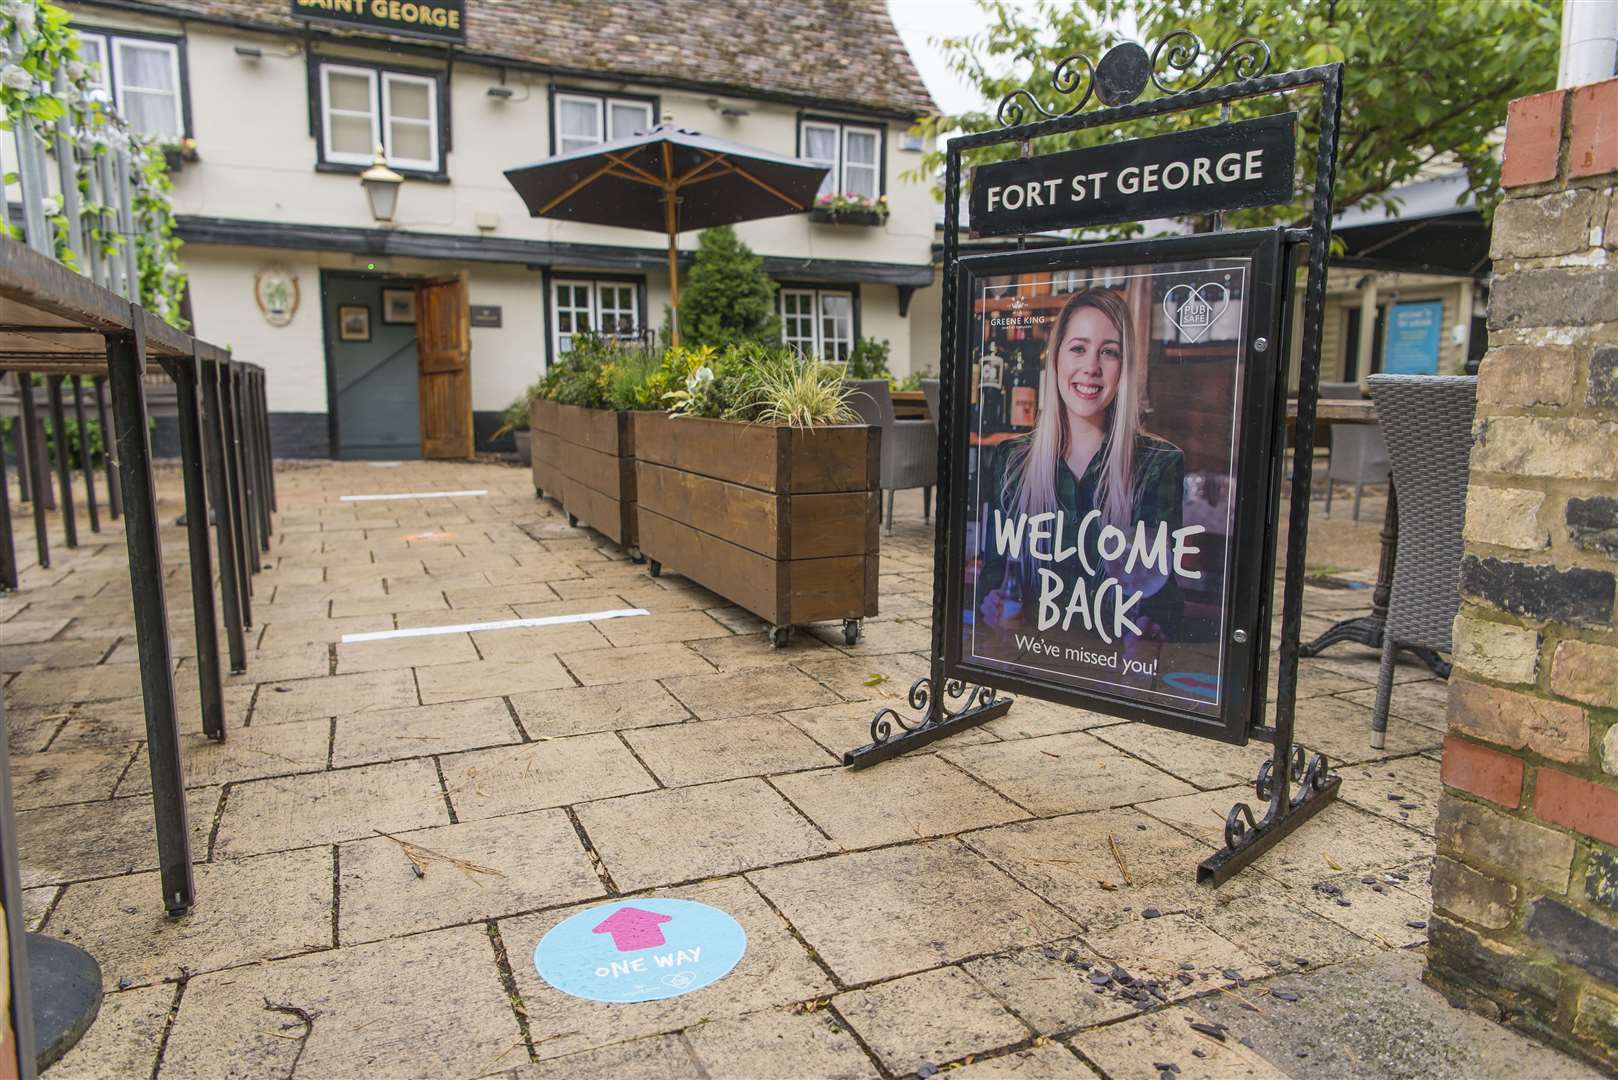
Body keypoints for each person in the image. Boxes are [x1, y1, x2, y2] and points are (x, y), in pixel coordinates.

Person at [974, 286, 1186, 642]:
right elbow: (995, 573)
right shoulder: (1012, 459)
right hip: (1028, 655)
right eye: (1078, 348)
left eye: (1109, 352)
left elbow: (1162, 595)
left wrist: (1151, 627)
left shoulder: (1158, 465)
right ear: (1056, 358)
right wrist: (993, 604)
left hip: (1113, 664)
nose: (1091, 368)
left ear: (1126, 366)